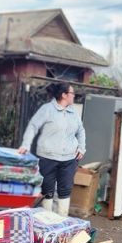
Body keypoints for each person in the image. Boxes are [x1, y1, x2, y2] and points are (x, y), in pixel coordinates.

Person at [18, 81, 85, 216]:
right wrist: (26, 144)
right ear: (64, 95)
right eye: (72, 93)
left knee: (65, 190)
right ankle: (46, 219)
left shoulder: (74, 112)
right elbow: (33, 126)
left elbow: (81, 130)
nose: (74, 96)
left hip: (69, 158)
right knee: (47, 189)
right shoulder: (47, 109)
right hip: (48, 157)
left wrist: (81, 148)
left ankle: (62, 220)